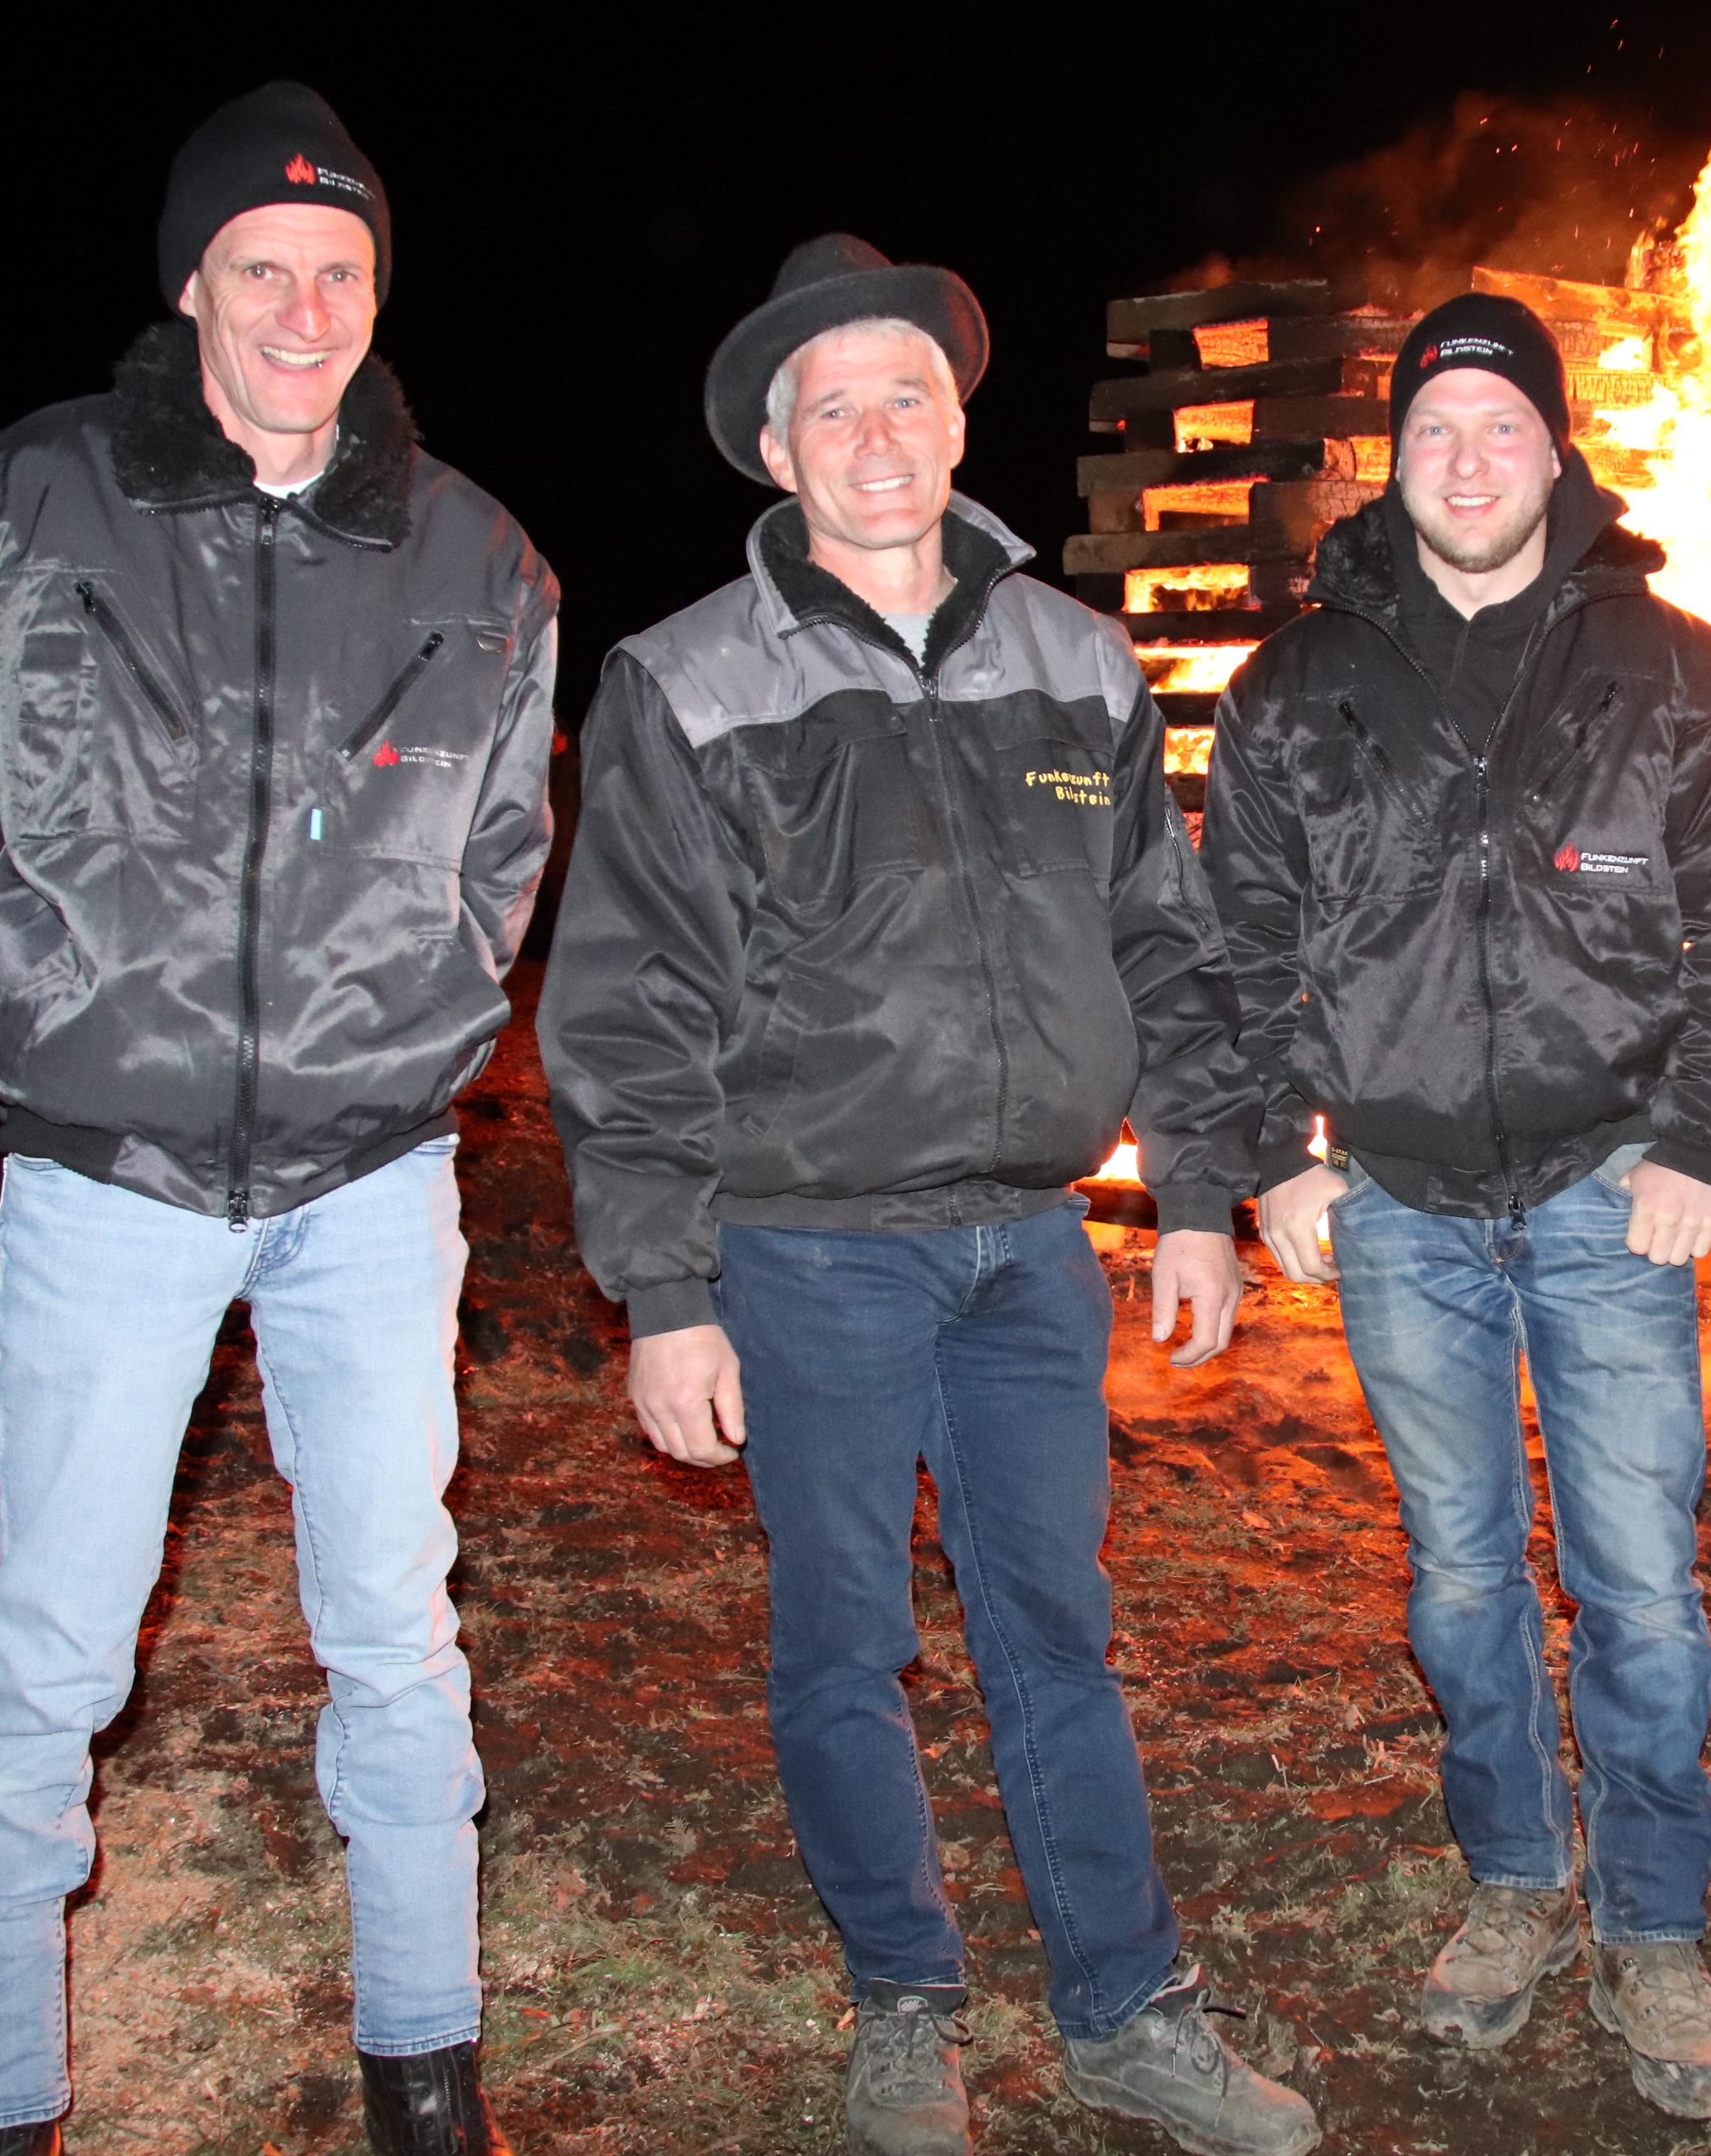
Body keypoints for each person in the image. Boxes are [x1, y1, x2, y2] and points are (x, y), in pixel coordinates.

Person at [537, 235, 1317, 2156]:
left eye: (903, 394)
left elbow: (1169, 945)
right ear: (776, 450)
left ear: (956, 420)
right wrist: (664, 1284)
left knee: (1054, 1624)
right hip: (806, 1251)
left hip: (1031, 1252)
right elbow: (628, 992)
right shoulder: (689, 680)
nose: (872, 436)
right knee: (844, 1641)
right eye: (830, 407)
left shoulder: (1070, 658)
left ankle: (1126, 2004)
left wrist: (1204, 1190)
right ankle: (901, 2000)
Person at [0, 85, 557, 2156]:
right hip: (108, 1181)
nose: (304, 308)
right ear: (192, 281)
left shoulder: (477, 551)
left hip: (368, 1177)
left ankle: (425, 2064)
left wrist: (418, 1034)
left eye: (341, 271)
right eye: (265, 265)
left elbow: (504, 842)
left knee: (396, 1637)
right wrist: (38, 1048)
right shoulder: (13, 513)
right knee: (53, 1645)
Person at [1200, 294, 1711, 2122]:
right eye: (1436, 429)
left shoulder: (1672, 662)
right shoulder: (1297, 684)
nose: (1469, 459)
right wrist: (1271, 1158)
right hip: (1395, 1203)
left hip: (1614, 1188)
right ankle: (1517, 1881)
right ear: (1402, 457)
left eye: (1501, 425)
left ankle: (1659, 1920)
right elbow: (1233, 946)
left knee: (1638, 1579)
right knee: (1461, 1575)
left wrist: (1699, 1135)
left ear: (1555, 449)